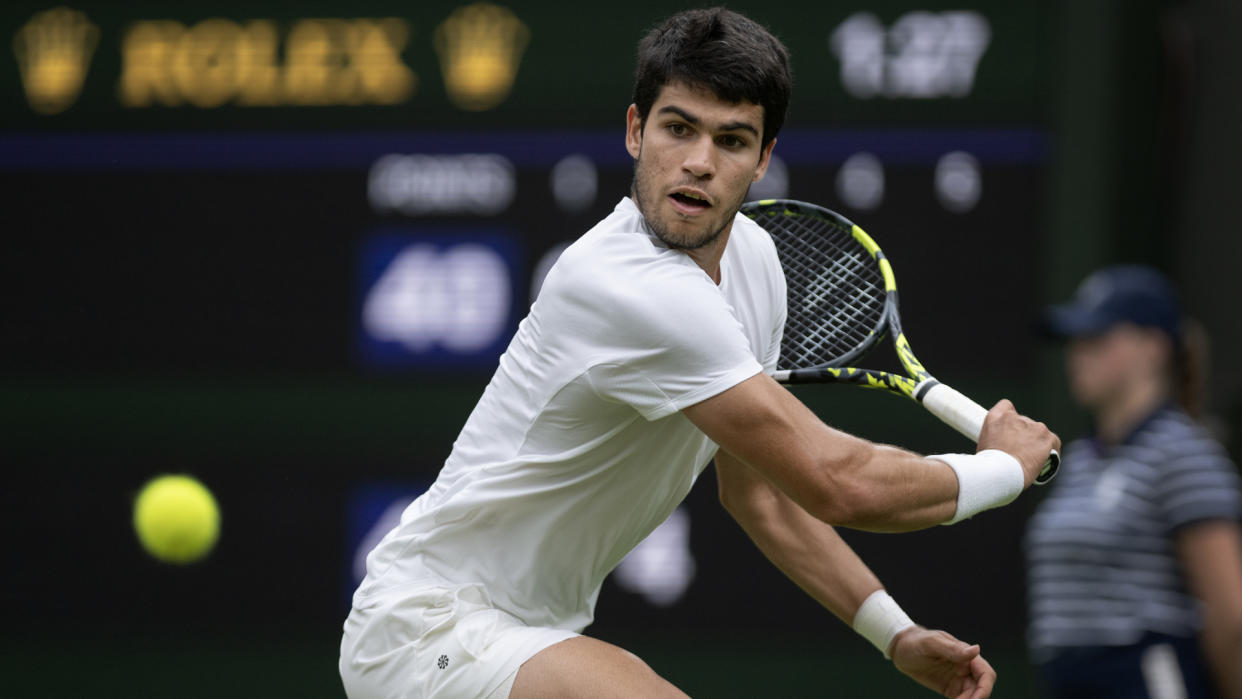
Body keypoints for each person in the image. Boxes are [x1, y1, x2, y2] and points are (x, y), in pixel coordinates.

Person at [340, 8, 1059, 699]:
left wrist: (894, 632)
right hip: (427, 629)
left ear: (763, 158)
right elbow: (840, 483)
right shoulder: (624, 286)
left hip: (528, 635)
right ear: (634, 129)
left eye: (732, 140)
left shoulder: (758, 269)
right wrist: (1000, 467)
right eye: (677, 128)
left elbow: (763, 498)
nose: (697, 163)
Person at [1025, 265, 1242, 698]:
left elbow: (1231, 619)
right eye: (1074, 341)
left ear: (1153, 347)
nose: (1077, 354)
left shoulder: (1186, 455)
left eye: (1097, 338)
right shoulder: (1080, 460)